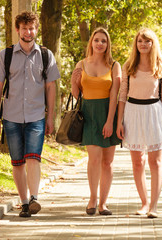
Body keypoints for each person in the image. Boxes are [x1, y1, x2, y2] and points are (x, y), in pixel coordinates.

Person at [0, 11, 60, 217]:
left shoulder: (46, 55)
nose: (28, 32)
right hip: (11, 117)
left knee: (33, 158)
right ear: (17, 29)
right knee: (17, 161)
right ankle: (24, 203)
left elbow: (50, 88)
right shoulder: (6, 55)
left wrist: (50, 117)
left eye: (32, 28)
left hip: (36, 117)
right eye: (24, 28)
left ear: (36, 29)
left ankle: (34, 198)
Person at [116, 28, 162, 218]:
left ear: (153, 44)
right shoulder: (128, 66)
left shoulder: (161, 68)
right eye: (140, 41)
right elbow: (122, 95)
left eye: (147, 41)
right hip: (132, 113)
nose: (143, 44)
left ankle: (154, 207)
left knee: (155, 162)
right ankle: (144, 203)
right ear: (136, 43)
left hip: (154, 113)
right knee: (137, 162)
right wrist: (119, 122)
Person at [70, 28, 121, 216]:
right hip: (89, 114)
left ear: (108, 45)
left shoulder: (115, 65)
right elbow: (77, 95)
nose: (100, 44)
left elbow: (115, 95)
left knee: (107, 162)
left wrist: (110, 122)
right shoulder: (81, 64)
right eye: (97, 40)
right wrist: (74, 83)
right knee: (94, 159)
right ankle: (93, 198)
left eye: (104, 41)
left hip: (108, 113)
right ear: (91, 42)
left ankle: (103, 204)